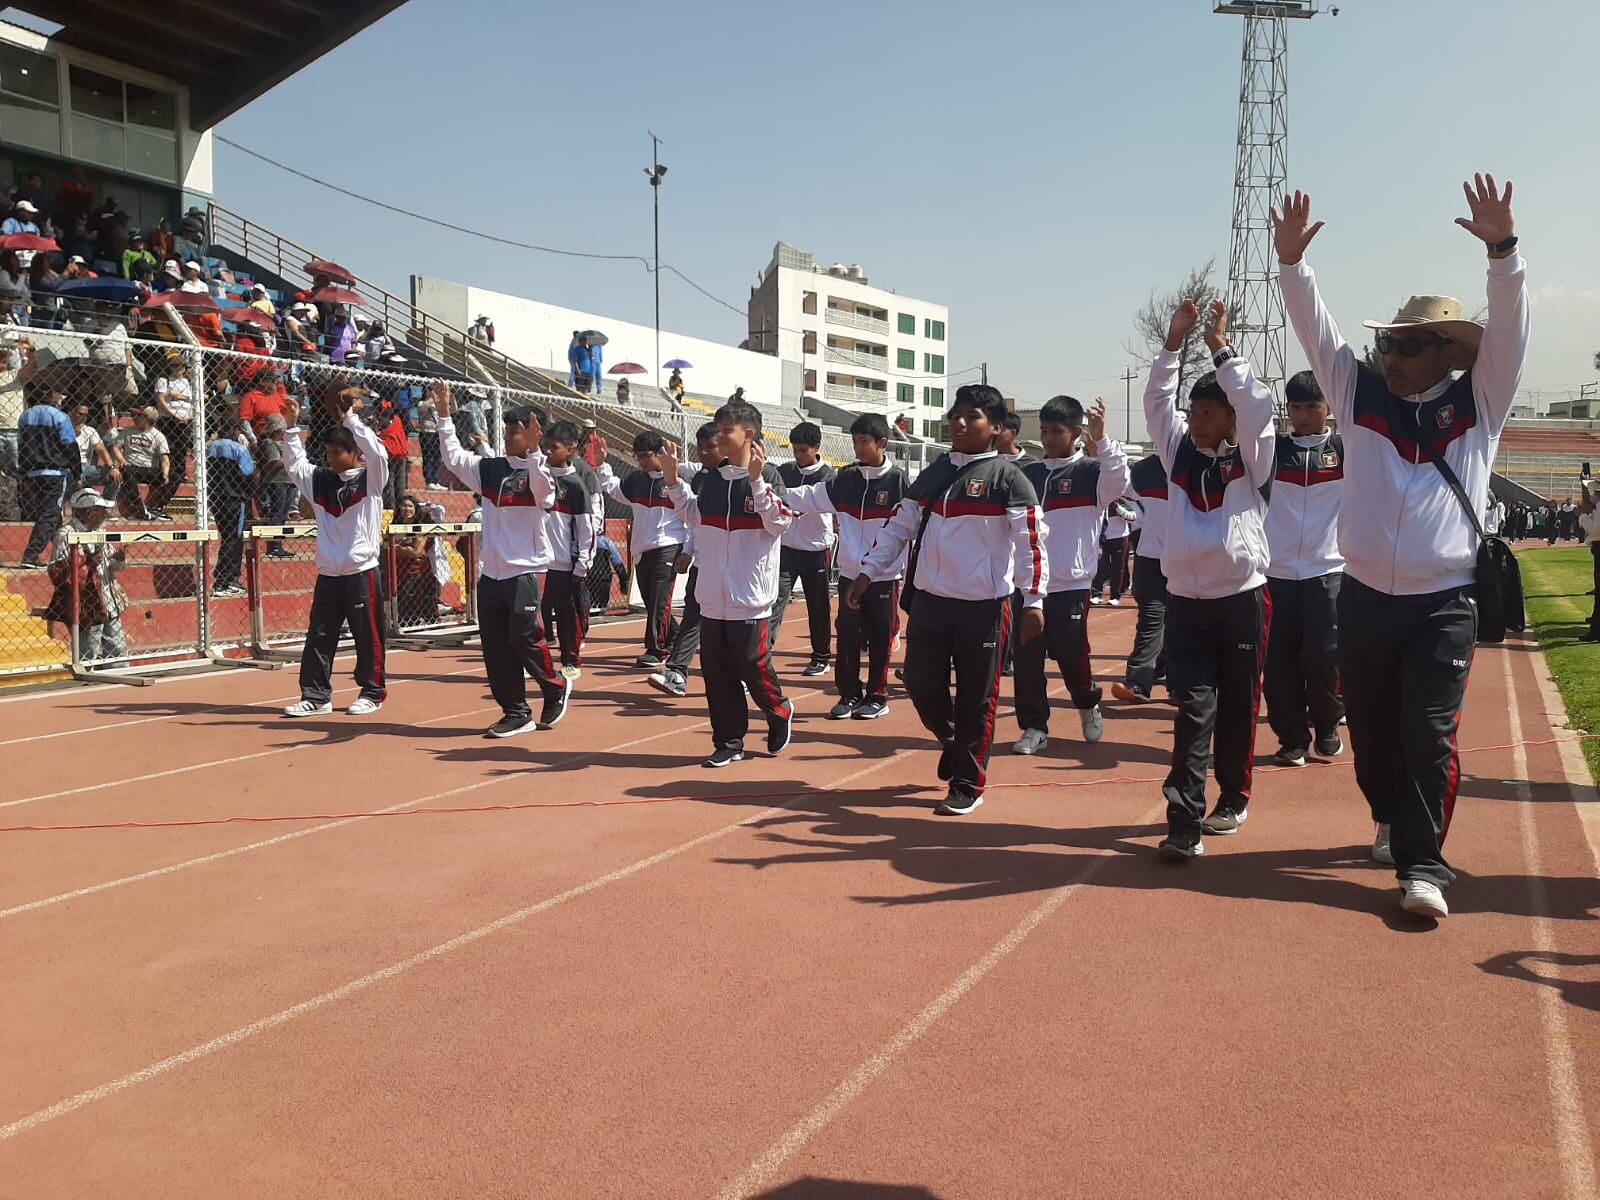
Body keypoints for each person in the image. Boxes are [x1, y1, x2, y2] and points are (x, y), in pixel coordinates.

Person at [1275, 174, 1528, 919]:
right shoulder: (1359, 396)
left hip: (1443, 601)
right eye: (1388, 342)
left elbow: (1511, 335)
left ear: (1447, 353)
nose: (1392, 354)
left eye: (1409, 345)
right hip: (1362, 599)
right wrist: (1292, 266)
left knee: (1429, 733)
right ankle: (1387, 813)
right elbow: (1317, 332)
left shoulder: (1480, 402)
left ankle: (1424, 867)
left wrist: (1504, 254)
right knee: (1374, 735)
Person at [851, 385, 1048, 815]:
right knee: (920, 684)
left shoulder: (1009, 478)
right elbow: (899, 527)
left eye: (972, 416)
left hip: (985, 607)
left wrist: (1034, 601)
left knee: (978, 697)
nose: (959, 423)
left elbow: (1031, 544)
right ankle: (954, 739)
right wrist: (868, 571)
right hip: (931, 602)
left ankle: (967, 783)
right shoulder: (935, 472)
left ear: (996, 428)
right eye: (955, 415)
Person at [1144, 300, 1275, 861]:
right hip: (1186, 602)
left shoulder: (1253, 456)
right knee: (1194, 710)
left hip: (1242, 599)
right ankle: (1183, 823)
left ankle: (1234, 796)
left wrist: (1221, 348)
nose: (1196, 420)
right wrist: (1173, 343)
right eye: (1193, 411)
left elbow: (1258, 406)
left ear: (1231, 419)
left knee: (1239, 707)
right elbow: (1157, 402)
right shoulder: (1176, 451)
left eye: (1208, 412)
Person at [662, 400, 794, 768]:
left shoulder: (770, 477)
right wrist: (672, 482)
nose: (718, 438)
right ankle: (729, 741)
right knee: (717, 675)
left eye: (725, 432)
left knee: (752, 665)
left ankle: (779, 710)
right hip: (712, 598)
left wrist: (757, 482)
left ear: (748, 435)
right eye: (717, 431)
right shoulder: (711, 479)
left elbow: (781, 522)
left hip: (750, 597)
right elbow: (694, 517)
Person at [434, 381, 571, 737]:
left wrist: (536, 452)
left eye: (516, 432)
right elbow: (453, 457)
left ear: (535, 435)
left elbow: (544, 495)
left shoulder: (541, 472)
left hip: (527, 570)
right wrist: (445, 415)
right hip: (492, 574)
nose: (510, 438)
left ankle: (555, 685)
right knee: (494, 646)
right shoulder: (489, 469)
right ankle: (516, 712)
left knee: (524, 636)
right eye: (508, 432)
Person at [1010, 396, 1128, 756]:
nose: (1047, 438)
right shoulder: (1029, 474)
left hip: (1072, 584)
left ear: (1076, 433)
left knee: (1071, 654)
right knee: (1027, 659)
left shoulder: (1092, 473)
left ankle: (1087, 702)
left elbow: (1119, 480)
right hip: (1029, 584)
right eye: (1044, 431)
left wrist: (1102, 438)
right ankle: (1034, 726)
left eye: (1056, 432)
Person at [779, 413, 909, 719]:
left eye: (864, 442)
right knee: (847, 635)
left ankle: (877, 695)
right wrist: (766, 489)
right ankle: (849, 694)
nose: (858, 448)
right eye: (855, 442)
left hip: (883, 576)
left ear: (882, 443)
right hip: (850, 574)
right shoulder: (846, 479)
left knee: (880, 638)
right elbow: (809, 497)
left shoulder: (897, 481)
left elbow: (908, 528)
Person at [278, 384, 389, 717]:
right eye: (327, 452)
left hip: (361, 571)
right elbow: (295, 465)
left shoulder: (371, 479)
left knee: (367, 635)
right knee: (319, 636)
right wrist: (292, 427)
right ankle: (316, 696)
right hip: (328, 573)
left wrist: (351, 419)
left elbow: (378, 453)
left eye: (338, 452)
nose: (330, 458)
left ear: (356, 454)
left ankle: (372, 692)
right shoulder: (320, 481)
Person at [1262, 369, 1347, 769]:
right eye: (1295, 407)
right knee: (1279, 663)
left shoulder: (1346, 450)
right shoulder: (1272, 451)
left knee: (1325, 657)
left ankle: (1327, 726)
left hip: (1328, 569)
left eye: (1312, 406)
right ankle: (1292, 739)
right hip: (1276, 572)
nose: (1303, 415)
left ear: (1328, 407)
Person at [594, 430, 690, 669]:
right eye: (638, 456)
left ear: (660, 454)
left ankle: (657, 649)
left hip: (668, 545)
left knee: (659, 599)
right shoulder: (636, 479)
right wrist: (602, 465)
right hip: (641, 547)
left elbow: (691, 515)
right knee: (651, 599)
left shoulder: (676, 482)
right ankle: (675, 635)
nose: (642, 461)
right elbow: (616, 490)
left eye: (646, 456)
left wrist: (688, 549)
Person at [649, 423, 721, 698]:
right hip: (703, 565)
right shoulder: (702, 479)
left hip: (734, 570)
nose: (704, 453)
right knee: (693, 617)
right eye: (700, 448)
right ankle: (676, 672)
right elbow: (695, 521)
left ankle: (745, 674)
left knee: (731, 628)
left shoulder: (743, 478)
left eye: (711, 447)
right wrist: (689, 551)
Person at [771, 422, 836, 676]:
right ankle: (760, 654)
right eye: (795, 450)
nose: (798, 455)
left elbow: (812, 501)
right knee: (774, 600)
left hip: (815, 550)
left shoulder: (828, 476)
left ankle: (821, 656)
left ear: (816, 448)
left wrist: (787, 498)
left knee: (817, 606)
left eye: (803, 450)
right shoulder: (784, 471)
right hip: (786, 549)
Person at [540, 420, 597, 680]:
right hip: (538, 563)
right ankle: (537, 662)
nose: (548, 452)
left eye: (554, 447)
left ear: (571, 449)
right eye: (546, 446)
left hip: (565, 563)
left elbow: (586, 528)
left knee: (566, 615)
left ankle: (570, 659)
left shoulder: (575, 486)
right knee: (536, 615)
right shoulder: (538, 477)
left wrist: (583, 562)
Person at [46, 489, 128, 664]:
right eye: (101, 510)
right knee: (88, 651)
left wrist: (119, 560)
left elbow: (113, 566)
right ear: (88, 513)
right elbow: (58, 573)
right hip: (87, 603)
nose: (105, 514)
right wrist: (87, 563)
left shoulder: (101, 531)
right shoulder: (66, 534)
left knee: (118, 649)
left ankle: (118, 676)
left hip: (108, 599)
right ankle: (86, 677)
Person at [1114, 452, 1170, 704]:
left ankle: (1178, 683)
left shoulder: (1198, 461)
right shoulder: (1144, 469)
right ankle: (1137, 682)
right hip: (1150, 559)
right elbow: (1124, 496)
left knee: (1184, 623)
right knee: (1151, 619)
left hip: (1189, 560)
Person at [16, 388, 80, 567]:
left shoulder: (25, 416)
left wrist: (23, 471)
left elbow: (21, 444)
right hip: (55, 473)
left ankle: (64, 553)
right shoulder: (60, 416)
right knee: (50, 514)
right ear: (51, 396)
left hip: (32, 473)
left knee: (49, 513)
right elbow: (70, 446)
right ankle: (31, 554)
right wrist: (77, 472)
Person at [205, 430, 254, 597]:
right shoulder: (239, 449)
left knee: (227, 536)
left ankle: (226, 579)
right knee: (234, 538)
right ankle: (225, 580)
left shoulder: (210, 448)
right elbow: (248, 473)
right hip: (235, 498)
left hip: (216, 498)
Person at [388, 495, 441, 628]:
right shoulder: (395, 526)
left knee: (413, 599)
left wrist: (397, 548)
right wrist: (405, 549)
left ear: (415, 509)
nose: (406, 509)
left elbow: (417, 552)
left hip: (417, 571)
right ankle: (404, 624)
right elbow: (387, 547)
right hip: (398, 570)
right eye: (403, 506)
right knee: (399, 602)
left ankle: (423, 624)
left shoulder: (421, 526)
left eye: (410, 506)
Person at [255, 414, 297, 558]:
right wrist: (291, 457)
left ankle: (277, 544)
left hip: (287, 481)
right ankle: (274, 546)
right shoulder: (269, 443)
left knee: (283, 514)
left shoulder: (281, 443)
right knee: (277, 514)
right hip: (276, 481)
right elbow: (275, 463)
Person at [1089, 497, 1136, 606]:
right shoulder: (1100, 501)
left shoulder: (1120, 501)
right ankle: (1097, 594)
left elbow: (1133, 517)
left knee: (1118, 568)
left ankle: (1115, 596)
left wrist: (1118, 508)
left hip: (1120, 537)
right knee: (1100, 566)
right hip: (1103, 538)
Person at [71, 402, 120, 503]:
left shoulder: (89, 430)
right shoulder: (63, 428)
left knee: (116, 477)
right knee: (76, 475)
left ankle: (107, 504)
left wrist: (112, 467)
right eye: (80, 414)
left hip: (85, 467)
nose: (83, 418)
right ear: (71, 413)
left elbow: (101, 449)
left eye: (86, 415)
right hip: (69, 465)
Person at [415, 385, 442, 487]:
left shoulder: (437, 403)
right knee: (428, 456)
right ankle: (429, 480)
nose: (434, 391)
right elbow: (422, 409)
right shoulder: (422, 403)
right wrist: (431, 399)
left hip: (437, 432)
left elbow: (453, 410)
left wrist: (452, 400)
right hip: (427, 432)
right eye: (431, 390)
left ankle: (436, 480)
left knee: (437, 457)